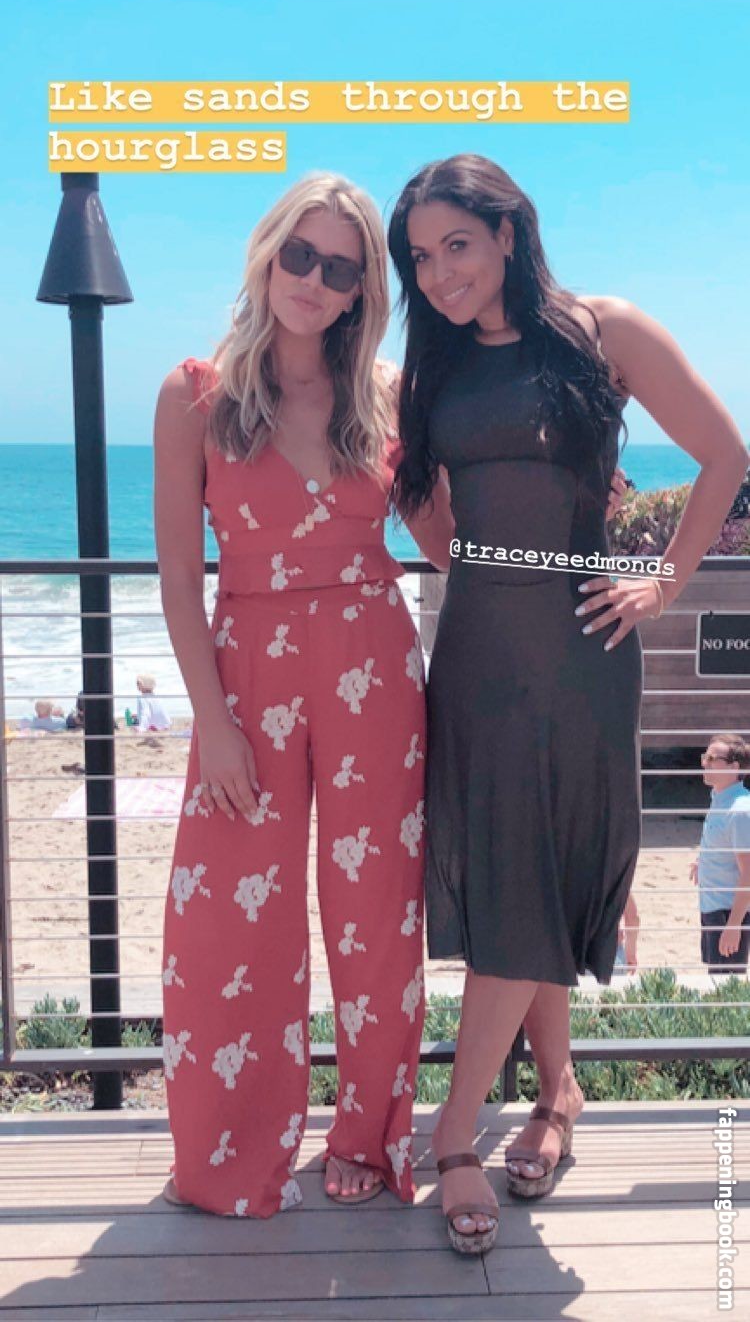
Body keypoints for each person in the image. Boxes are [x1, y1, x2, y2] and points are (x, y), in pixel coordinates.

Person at [387, 153, 749, 1253]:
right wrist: (480, 572)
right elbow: (422, 504)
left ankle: (455, 1131)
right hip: (475, 646)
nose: (440, 274)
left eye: (457, 244)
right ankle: (559, 1095)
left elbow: (726, 455)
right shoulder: (437, 359)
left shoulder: (605, 330)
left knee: (534, 864)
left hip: (582, 646)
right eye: (420, 257)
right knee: (515, 869)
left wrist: (665, 582)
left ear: (509, 233)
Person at [153, 173, 460, 1219]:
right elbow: (177, 583)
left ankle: (369, 1137)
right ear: (267, 252)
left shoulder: (387, 397)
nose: (313, 280)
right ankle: (232, 1146)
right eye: (300, 254)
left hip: (375, 665)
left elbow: (445, 544)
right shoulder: (194, 394)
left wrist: (554, 512)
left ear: (361, 289)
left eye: (340, 267)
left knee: (377, 919)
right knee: (227, 922)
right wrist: (213, 723)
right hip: (245, 674)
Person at [690, 734, 750, 975]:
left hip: (729, 913)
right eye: (705, 757)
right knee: (715, 980)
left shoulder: (739, 811)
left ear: (734, 767)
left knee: (725, 984)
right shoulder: (721, 799)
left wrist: (734, 926)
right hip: (713, 908)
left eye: (713, 758)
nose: (705, 763)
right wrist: (703, 862)